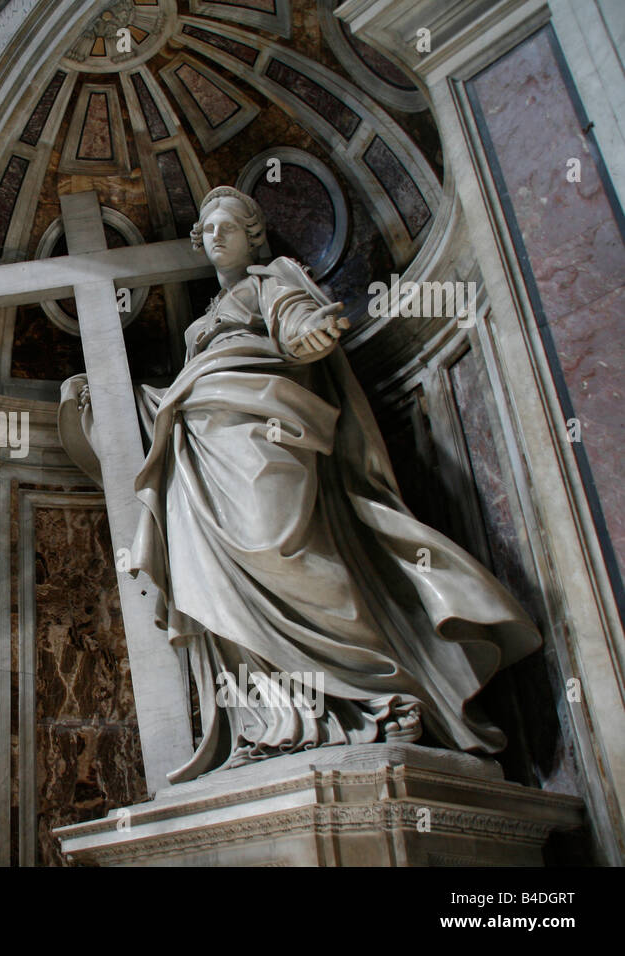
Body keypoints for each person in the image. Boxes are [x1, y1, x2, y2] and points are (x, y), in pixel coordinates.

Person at [64, 186, 540, 784]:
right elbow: (184, 389)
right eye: (208, 230)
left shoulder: (273, 278)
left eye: (228, 228)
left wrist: (309, 331)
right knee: (215, 581)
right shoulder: (202, 321)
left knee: (280, 548)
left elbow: (297, 327)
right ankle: (278, 719)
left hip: (265, 429)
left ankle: (384, 687)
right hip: (200, 447)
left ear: (253, 235)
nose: (216, 238)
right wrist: (115, 403)